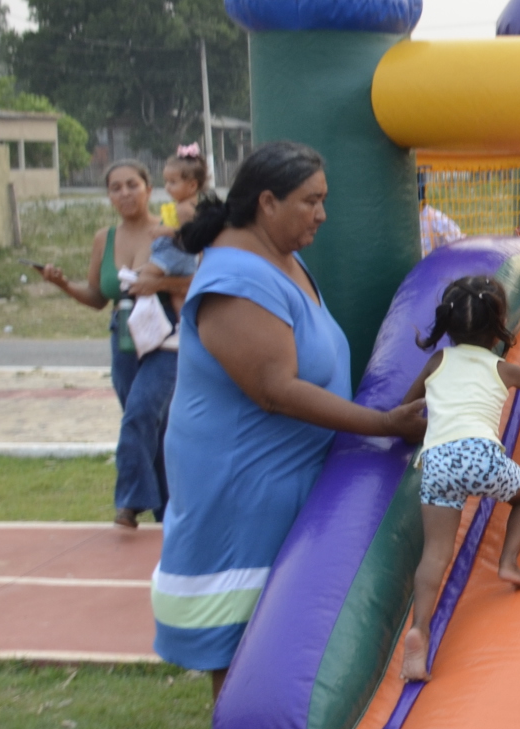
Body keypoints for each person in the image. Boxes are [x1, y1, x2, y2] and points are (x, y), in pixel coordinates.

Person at [151, 142, 425, 697]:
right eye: (311, 201)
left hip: (282, 475)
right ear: (268, 203)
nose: (322, 214)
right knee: (242, 623)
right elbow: (275, 390)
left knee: (278, 617)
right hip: (242, 478)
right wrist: (384, 424)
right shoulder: (237, 279)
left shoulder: (280, 257)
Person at [398, 274, 520, 682]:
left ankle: (420, 629)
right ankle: (508, 563)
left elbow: (407, 410)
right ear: (498, 325)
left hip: (437, 462)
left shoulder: (436, 362)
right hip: (481, 457)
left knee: (435, 553)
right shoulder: (502, 368)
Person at [33, 159, 177, 528]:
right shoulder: (104, 238)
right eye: (116, 187)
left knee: (140, 413)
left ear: (148, 187)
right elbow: (98, 296)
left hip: (166, 337)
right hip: (124, 337)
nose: (125, 193)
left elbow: (197, 283)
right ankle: (167, 511)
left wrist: (158, 285)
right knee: (150, 425)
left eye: (133, 184)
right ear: (109, 195)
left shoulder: (170, 230)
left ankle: (128, 506)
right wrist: (62, 284)